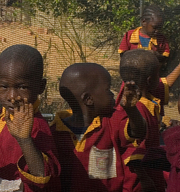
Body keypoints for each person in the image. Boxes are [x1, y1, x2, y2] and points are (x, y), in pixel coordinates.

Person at [116, 49, 180, 191]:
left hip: (151, 174)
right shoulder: (138, 110)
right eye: (158, 74)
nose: (161, 78)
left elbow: (164, 84)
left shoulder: (147, 100)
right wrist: (145, 180)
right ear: (150, 80)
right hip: (140, 182)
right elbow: (133, 151)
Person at [50, 63, 147, 191]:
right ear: (88, 99)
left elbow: (138, 131)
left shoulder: (113, 121)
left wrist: (131, 110)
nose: (113, 94)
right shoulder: (55, 132)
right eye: (108, 90)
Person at [0, 44, 60, 191]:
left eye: (22, 87)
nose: (12, 97)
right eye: (4, 87)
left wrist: (25, 140)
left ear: (41, 86)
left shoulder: (37, 126)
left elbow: (42, 175)